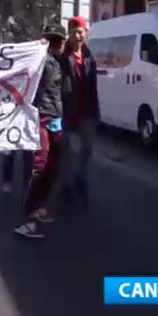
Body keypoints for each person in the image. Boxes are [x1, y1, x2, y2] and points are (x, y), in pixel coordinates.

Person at [15, 24, 66, 238]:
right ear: (60, 42)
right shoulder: (42, 61)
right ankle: (25, 220)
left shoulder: (55, 61)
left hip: (53, 118)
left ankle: (38, 208)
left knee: (52, 166)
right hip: (42, 118)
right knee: (40, 166)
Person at [58, 16, 99, 209]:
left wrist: (96, 111)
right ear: (69, 33)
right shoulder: (61, 56)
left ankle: (79, 178)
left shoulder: (90, 56)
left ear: (86, 32)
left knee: (87, 148)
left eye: (80, 30)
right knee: (65, 150)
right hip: (66, 111)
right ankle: (65, 185)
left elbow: (93, 86)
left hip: (87, 111)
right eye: (74, 30)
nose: (77, 34)